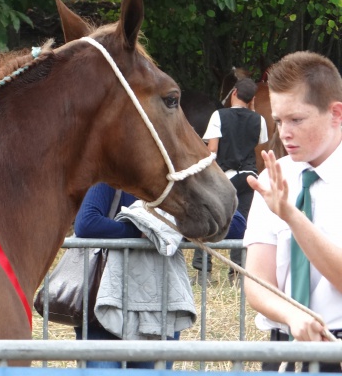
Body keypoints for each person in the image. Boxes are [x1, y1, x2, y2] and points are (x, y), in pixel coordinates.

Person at [72, 182, 246, 369]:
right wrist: (139, 231)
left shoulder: (185, 179)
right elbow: (86, 223)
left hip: (161, 308)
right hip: (106, 306)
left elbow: (235, 225)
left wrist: (169, 231)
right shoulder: (113, 177)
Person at [243, 51, 342, 372]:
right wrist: (290, 315)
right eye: (279, 120)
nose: (284, 132)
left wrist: (291, 217)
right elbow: (257, 281)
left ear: (336, 114)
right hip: (282, 351)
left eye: (296, 120)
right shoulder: (274, 176)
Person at [193, 77, 268, 283]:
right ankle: (237, 274)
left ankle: (203, 272)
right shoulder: (259, 120)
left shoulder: (219, 115)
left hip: (224, 178)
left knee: (210, 220)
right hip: (248, 178)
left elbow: (212, 150)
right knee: (243, 224)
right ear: (252, 99)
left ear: (233, 92)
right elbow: (258, 144)